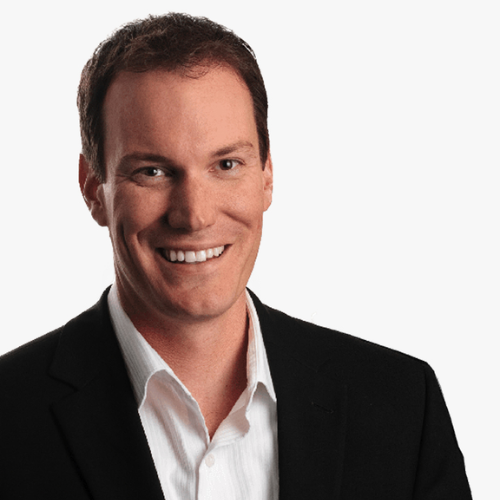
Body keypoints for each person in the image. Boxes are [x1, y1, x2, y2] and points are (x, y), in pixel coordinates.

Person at [0, 13, 471, 499]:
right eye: (152, 172)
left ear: (267, 175)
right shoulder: (8, 418)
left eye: (226, 164)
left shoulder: (401, 406)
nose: (194, 215)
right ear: (92, 188)